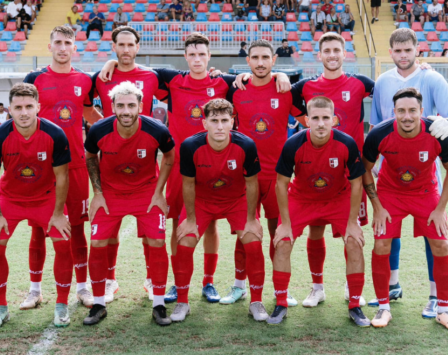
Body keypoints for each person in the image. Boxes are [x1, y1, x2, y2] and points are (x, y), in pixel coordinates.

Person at [96, 33, 291, 305]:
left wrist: (280, 74)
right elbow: (131, 67)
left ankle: (208, 282)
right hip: (180, 165)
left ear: (209, 56)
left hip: (217, 164)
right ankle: (178, 283)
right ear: (185, 57)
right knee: (179, 222)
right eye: (192, 54)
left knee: (210, 224)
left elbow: (258, 79)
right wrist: (109, 62)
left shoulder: (223, 82)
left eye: (202, 54)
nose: (198, 59)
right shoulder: (172, 79)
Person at [369, 28, 448, 318]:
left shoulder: (431, 77)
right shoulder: (383, 81)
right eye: (397, 51)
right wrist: (375, 164)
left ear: (417, 50)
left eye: (407, 50)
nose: (402, 56)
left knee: (432, 234)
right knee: (388, 231)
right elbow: (376, 125)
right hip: (390, 168)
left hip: (425, 170)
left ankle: (436, 296)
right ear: (391, 53)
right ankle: (392, 285)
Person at [363, 87, 448, 331]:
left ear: (422, 111)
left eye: (412, 111)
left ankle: (443, 309)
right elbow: (365, 169)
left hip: (425, 193)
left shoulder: (437, 133)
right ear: (394, 111)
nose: (407, 116)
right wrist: (376, 206)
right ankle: (384, 307)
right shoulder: (379, 134)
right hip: (390, 193)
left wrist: (440, 209)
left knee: (441, 244)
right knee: (381, 243)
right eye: (401, 111)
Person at [290, 32, 374, 308]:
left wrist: (419, 67)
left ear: (345, 53)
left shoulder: (360, 84)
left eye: (337, 50)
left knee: (352, 234)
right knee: (315, 231)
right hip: (316, 172)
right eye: (327, 50)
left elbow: (391, 89)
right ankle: (317, 288)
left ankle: (354, 292)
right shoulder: (305, 86)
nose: (332, 55)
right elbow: (283, 98)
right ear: (319, 55)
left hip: (351, 176)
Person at [268, 95, 368, 326]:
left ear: (334, 120)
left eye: (325, 118)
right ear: (306, 120)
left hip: (337, 198)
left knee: (354, 241)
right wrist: (284, 223)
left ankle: (354, 304)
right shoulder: (293, 143)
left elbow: (356, 182)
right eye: (315, 118)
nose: (321, 123)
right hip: (302, 198)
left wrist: (352, 222)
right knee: (282, 241)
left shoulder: (346, 143)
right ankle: (281, 303)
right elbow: (281, 183)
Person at [83, 82, 176, 326]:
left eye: (131, 105)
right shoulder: (98, 130)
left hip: (146, 192)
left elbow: (170, 156)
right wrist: (98, 192)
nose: (126, 111)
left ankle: (158, 303)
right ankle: (99, 303)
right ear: (112, 106)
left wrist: (159, 192)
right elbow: (90, 157)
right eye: (121, 105)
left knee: (157, 240)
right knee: (97, 241)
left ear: (141, 106)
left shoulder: (157, 129)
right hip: (110, 193)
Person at [0, 82, 73, 330]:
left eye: (29, 106)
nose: (24, 112)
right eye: (18, 107)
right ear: (9, 109)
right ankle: (1, 308)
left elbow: (63, 177)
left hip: (45, 198)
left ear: (38, 107)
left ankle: (62, 305)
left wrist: (57, 213)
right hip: (10, 199)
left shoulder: (55, 134)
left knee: (64, 244)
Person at [222, 40, 304, 306]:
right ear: (247, 61)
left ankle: (282, 289)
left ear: (274, 60)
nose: (259, 62)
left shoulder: (286, 90)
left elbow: (308, 121)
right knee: (246, 232)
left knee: (278, 233)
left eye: (265, 58)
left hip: (279, 176)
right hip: (246, 176)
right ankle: (238, 286)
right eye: (254, 57)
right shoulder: (236, 90)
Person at [22, 26, 97, 311]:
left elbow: (89, 113)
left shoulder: (84, 80)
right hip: (40, 167)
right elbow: (23, 112)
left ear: (74, 47)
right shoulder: (35, 78)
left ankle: (82, 287)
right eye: (58, 42)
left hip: (75, 164)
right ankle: (34, 290)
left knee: (77, 228)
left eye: (68, 42)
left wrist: (109, 129)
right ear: (49, 46)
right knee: (39, 230)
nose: (63, 47)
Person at [173, 98, 266, 322]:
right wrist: (191, 219)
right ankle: (182, 302)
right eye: (214, 121)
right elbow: (187, 183)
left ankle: (256, 302)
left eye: (225, 120)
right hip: (202, 201)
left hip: (236, 200)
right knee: (185, 242)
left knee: (253, 242)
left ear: (233, 122)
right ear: (204, 123)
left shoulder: (246, 144)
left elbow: (252, 183)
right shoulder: (190, 146)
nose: (220, 126)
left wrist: (252, 219)